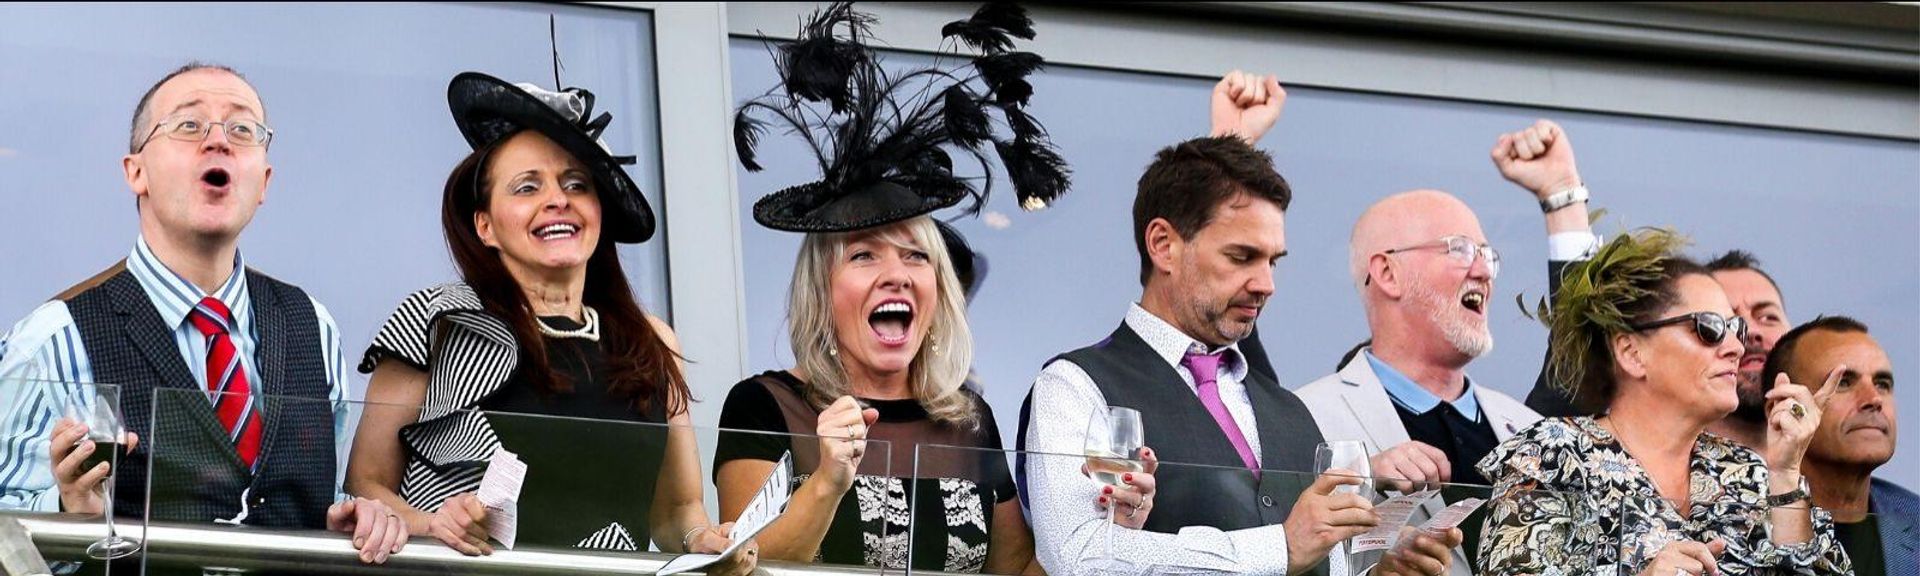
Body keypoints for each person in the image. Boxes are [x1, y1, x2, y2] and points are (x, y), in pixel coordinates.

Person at [1019, 71, 1460, 576]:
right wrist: (1281, 548)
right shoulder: (1075, 387)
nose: (1266, 283)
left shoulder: (1290, 411)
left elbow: (1321, 561)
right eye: (1242, 256)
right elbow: (1077, 556)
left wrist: (1378, 573)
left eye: (1273, 261)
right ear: (1163, 245)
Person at [344, 72, 754, 573]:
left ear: (599, 213)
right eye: (527, 187)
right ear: (485, 226)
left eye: (577, 184)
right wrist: (434, 525)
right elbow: (366, 483)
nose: (558, 199)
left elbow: (676, 511)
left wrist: (704, 539)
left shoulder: (651, 341)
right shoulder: (441, 319)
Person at [0, 62, 407, 564]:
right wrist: (65, 510)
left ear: (264, 182)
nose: (219, 141)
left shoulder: (313, 327)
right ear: (136, 172)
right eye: (189, 125)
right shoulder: (52, 338)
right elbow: (5, 530)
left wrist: (350, 517)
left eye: (243, 129)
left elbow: (310, 494)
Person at [715, 4, 1059, 572]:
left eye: (915, 256)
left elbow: (1016, 570)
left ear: (938, 291)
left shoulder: (968, 419)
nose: (896, 273)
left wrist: (1104, 522)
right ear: (822, 291)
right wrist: (829, 479)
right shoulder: (764, 405)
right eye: (864, 255)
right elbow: (744, 567)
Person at [1477, 228, 1852, 575]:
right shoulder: (1552, 456)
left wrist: (1785, 474)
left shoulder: (1747, 473)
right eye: (1710, 328)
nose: (1736, 347)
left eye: (1734, 329)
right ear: (1631, 352)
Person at [1762, 316, 1915, 575]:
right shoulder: (1728, 524)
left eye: (1882, 384)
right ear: (1781, 410)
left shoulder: (1914, 518)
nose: (1874, 399)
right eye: (1843, 383)